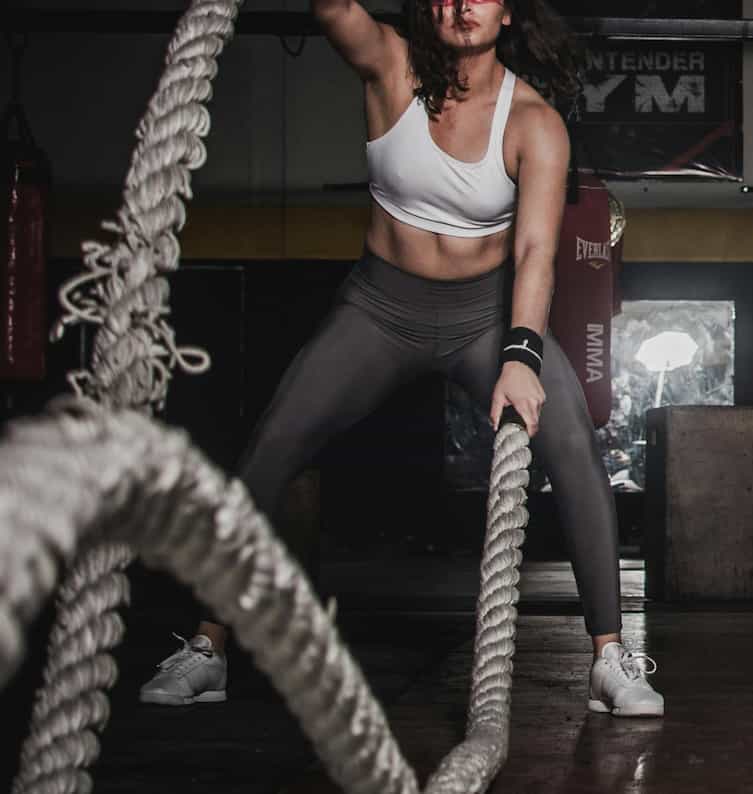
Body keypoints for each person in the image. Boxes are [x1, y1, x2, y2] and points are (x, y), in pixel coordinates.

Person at [138, 0, 664, 718]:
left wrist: (519, 356)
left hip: (486, 316)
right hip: (379, 310)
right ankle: (207, 647)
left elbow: (538, 252)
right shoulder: (389, 64)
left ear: (507, 13)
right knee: (270, 447)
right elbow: (332, 11)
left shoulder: (534, 122)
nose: (461, 4)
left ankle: (610, 657)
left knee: (573, 444)